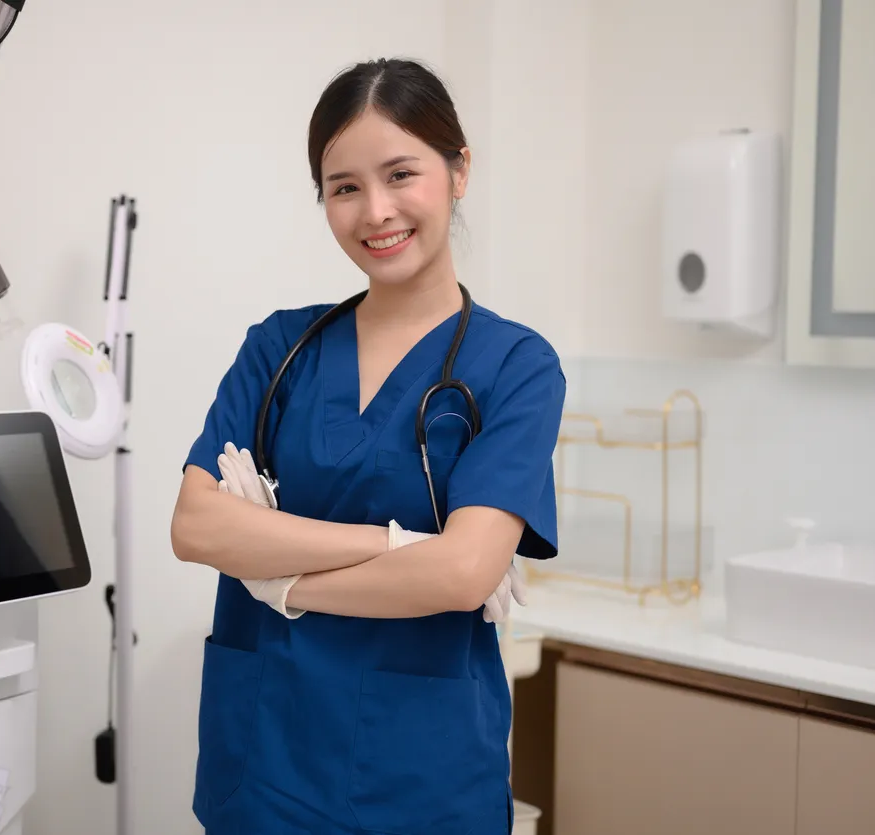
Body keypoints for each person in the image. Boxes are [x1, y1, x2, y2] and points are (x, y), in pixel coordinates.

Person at [170, 57, 566, 835]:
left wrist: (278, 581)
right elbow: (196, 527)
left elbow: (460, 573)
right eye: (344, 187)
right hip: (260, 766)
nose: (374, 211)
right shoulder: (279, 347)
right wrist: (396, 546)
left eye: (400, 174)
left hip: (419, 777)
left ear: (457, 172)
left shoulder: (516, 366)